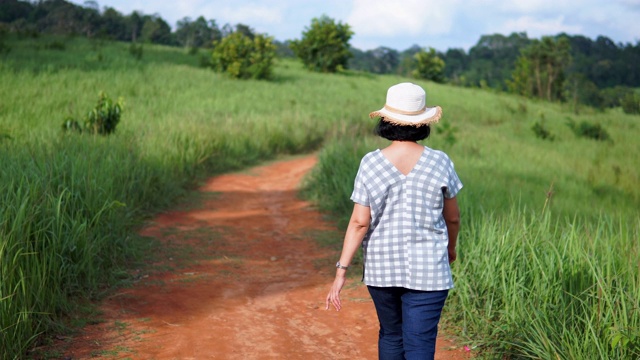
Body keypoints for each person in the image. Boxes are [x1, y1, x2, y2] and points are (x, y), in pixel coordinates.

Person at [325, 82, 463, 360]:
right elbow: (454, 218)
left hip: (382, 269)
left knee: (391, 334)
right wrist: (450, 249)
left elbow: (359, 223)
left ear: (386, 120)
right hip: (431, 270)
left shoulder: (371, 163)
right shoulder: (441, 161)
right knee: (420, 341)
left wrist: (341, 271)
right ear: (422, 123)